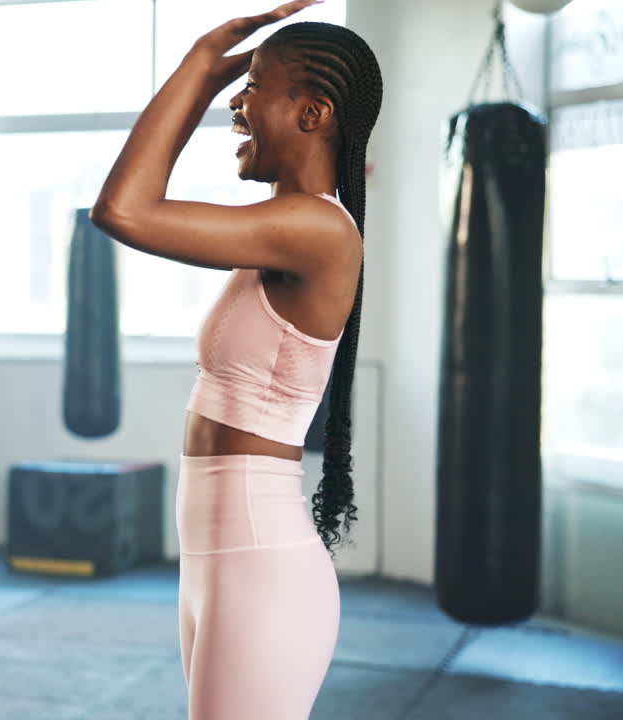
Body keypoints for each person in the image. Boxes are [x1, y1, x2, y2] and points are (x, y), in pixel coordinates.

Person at [90, 1, 382, 717]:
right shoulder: (282, 230)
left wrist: (197, 62)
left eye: (253, 86)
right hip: (221, 556)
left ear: (312, 115)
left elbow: (123, 210)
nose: (235, 102)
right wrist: (206, 71)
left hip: (259, 562)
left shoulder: (314, 228)